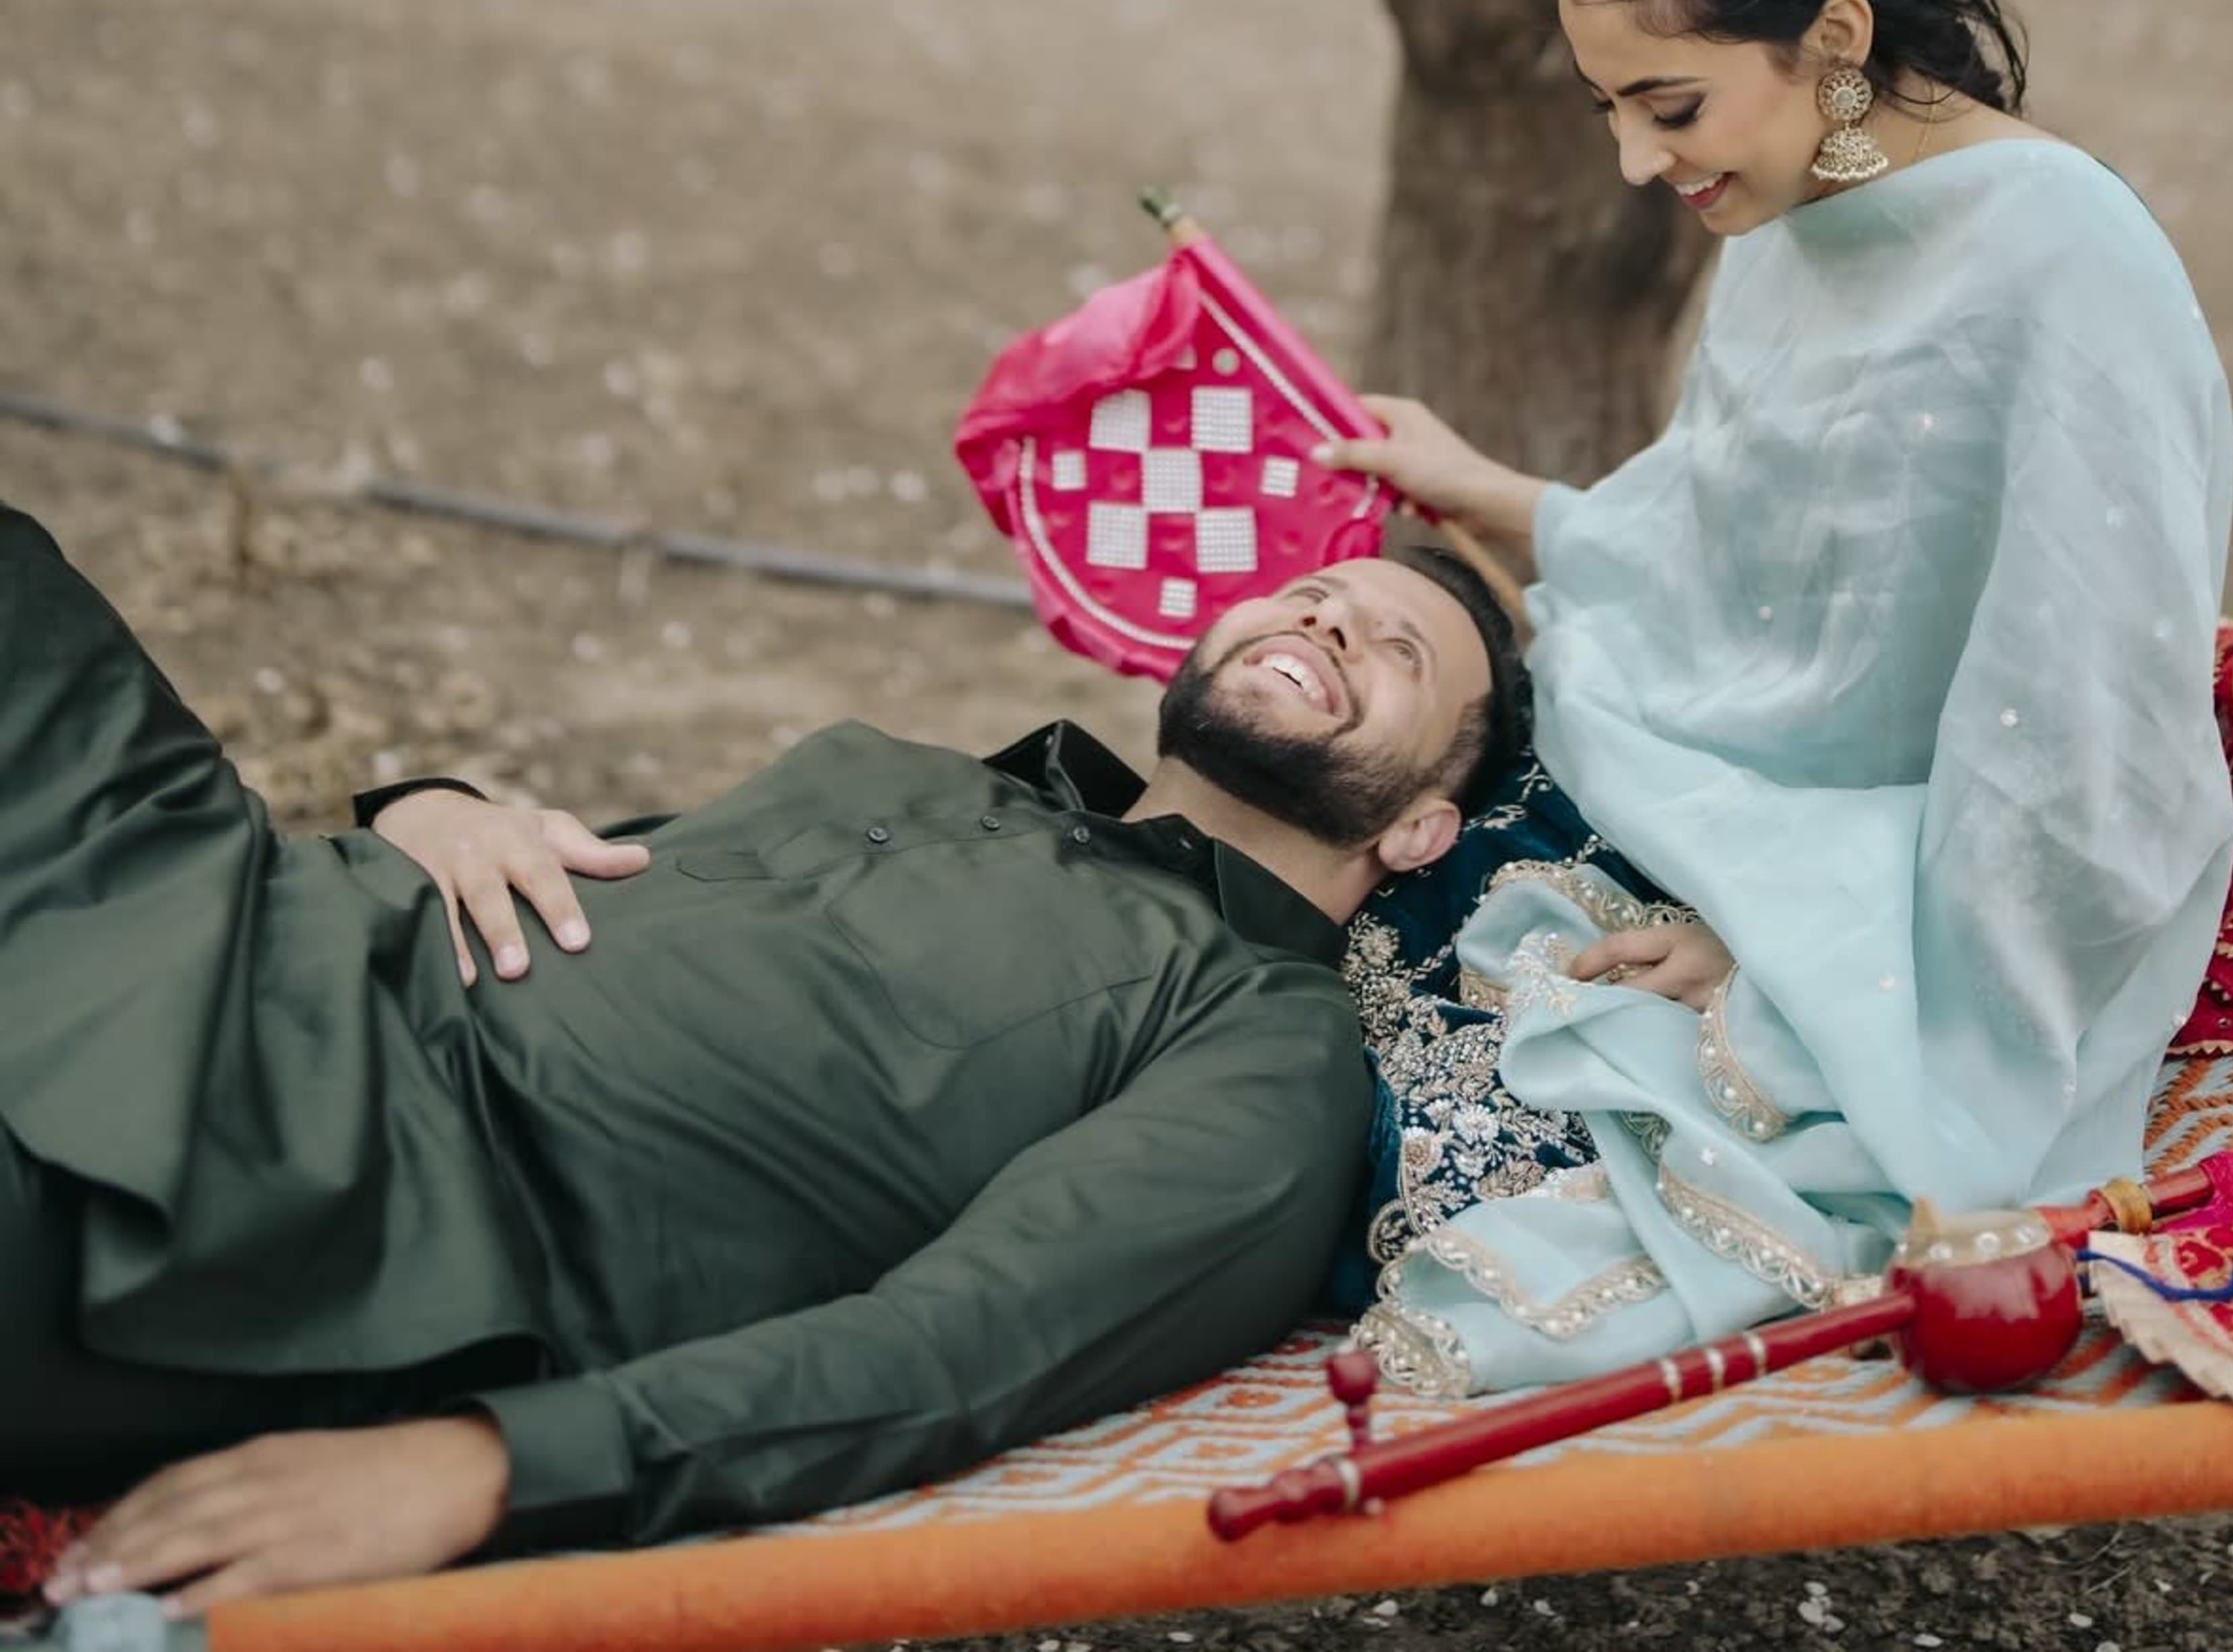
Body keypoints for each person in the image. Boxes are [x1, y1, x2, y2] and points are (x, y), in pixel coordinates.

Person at [4, 507, 1523, 1604]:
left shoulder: (1263, 1037)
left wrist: (486, 1466)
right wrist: (438, 803)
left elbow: (958, 1348)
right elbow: (607, 888)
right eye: (1313, 592)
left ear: (1419, 829)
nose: (1326, 619)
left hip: (305, 1185)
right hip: (233, 913)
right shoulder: (941, 779)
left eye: (1395, 650)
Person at [1314, 0, 2233, 1394]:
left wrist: (1792, 973)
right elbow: (1734, 552)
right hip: (1697, 797)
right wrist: (1503, 498)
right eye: (1608, 107)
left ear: (1836, 35)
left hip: (1929, 895)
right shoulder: (1791, 206)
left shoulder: (2067, 266)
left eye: (1666, 103)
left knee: (1441, 1101)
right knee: (1319, 921)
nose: (1632, 158)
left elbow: (2081, 759)